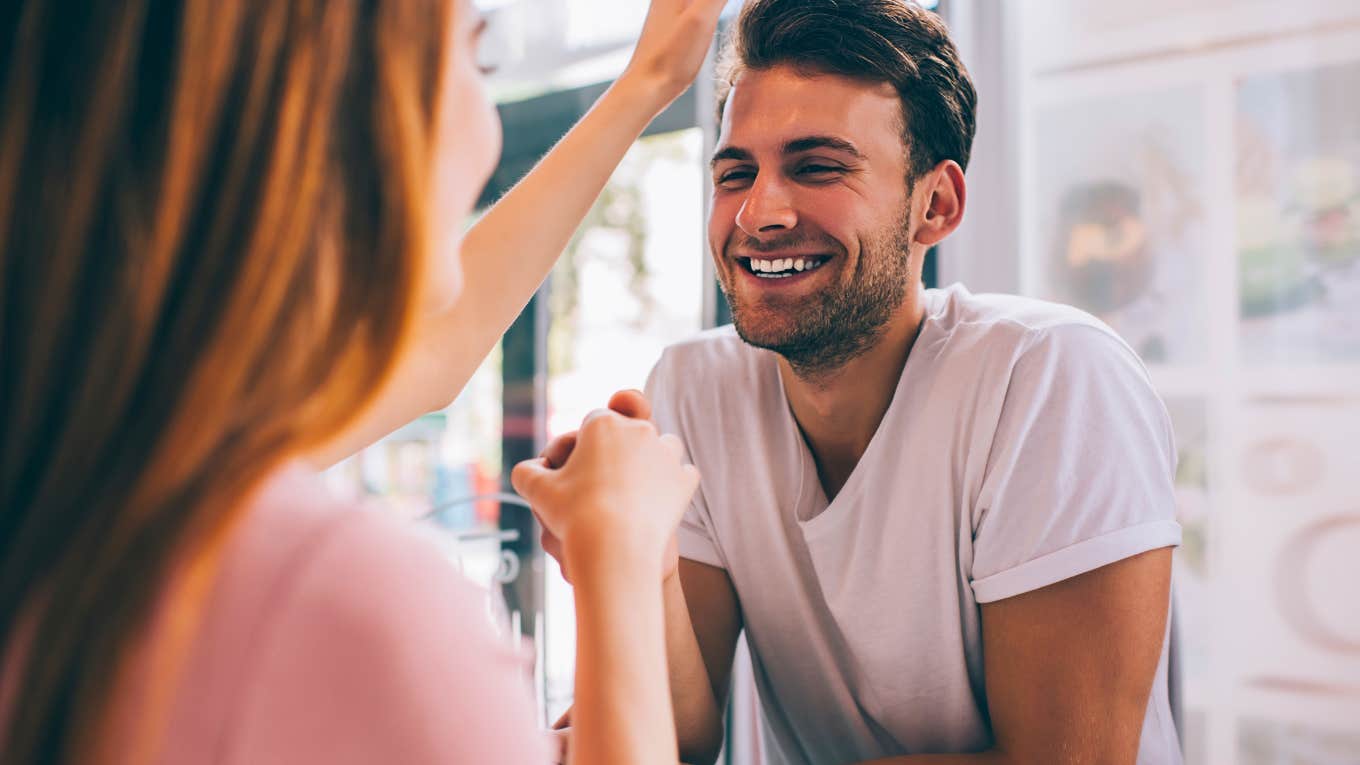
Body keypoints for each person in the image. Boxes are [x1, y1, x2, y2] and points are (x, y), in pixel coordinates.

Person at [0, 0, 724, 763]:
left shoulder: (71, 492)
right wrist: (620, 557)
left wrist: (648, 82)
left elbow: (440, 349)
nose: (491, 137)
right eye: (479, 60)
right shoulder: (342, 599)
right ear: (347, 113)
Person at [547, 1, 1184, 763]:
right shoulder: (694, 383)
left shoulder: (1051, 376)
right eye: (735, 173)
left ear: (935, 205)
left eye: (816, 167)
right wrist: (629, 558)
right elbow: (679, 737)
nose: (759, 212)